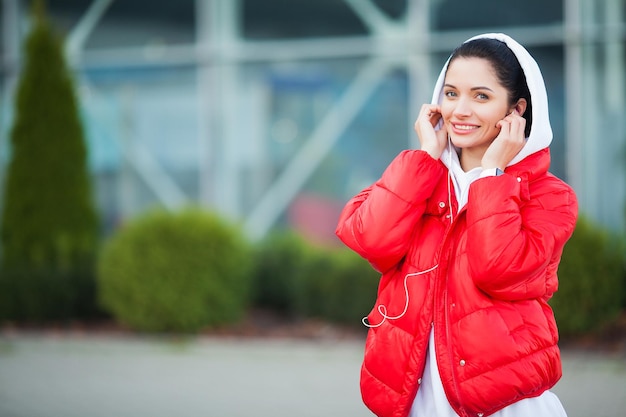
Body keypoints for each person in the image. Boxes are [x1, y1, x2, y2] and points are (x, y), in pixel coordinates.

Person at [335, 33, 578, 417]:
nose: (460, 110)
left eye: (480, 96)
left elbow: (496, 270)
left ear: (516, 109)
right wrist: (426, 157)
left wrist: (491, 177)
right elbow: (370, 240)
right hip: (416, 397)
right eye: (451, 94)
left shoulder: (550, 196)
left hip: (504, 403)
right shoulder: (423, 176)